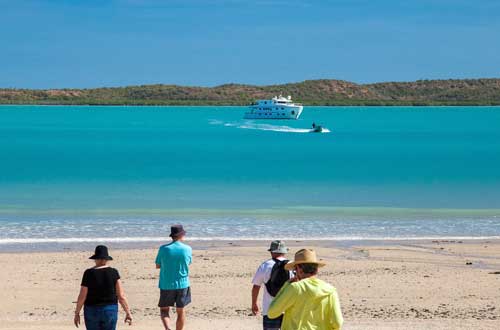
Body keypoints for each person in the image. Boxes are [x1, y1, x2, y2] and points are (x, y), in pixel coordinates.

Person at [268, 249, 343, 330]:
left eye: (295, 270)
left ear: (299, 269)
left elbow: (272, 313)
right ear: (316, 269)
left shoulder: (295, 288)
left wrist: (286, 286)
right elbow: (338, 322)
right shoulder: (330, 290)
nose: (295, 272)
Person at [74, 245, 132, 330]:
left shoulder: (88, 273)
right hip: (110, 309)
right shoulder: (114, 272)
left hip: (91, 309)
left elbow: (82, 296)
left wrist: (77, 313)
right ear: (107, 259)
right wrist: (128, 312)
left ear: (95, 259)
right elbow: (121, 296)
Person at [155, 224, 192, 330]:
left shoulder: (163, 249)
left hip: (166, 283)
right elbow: (188, 263)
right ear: (181, 235)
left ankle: (168, 329)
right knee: (181, 311)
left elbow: (158, 265)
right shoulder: (187, 249)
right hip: (183, 283)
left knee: (164, 310)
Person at [251, 240, 290, 330]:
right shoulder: (292, 266)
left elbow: (256, 287)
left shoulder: (265, 266)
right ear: (284, 252)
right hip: (289, 309)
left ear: (271, 252)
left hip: (269, 309)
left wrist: (254, 304)